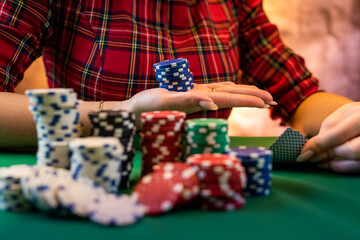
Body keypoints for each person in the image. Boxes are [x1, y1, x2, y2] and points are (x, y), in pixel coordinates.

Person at [0, 0, 358, 173]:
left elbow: (303, 95)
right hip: (97, 178)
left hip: (203, 189)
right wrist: (121, 114)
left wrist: (347, 118)